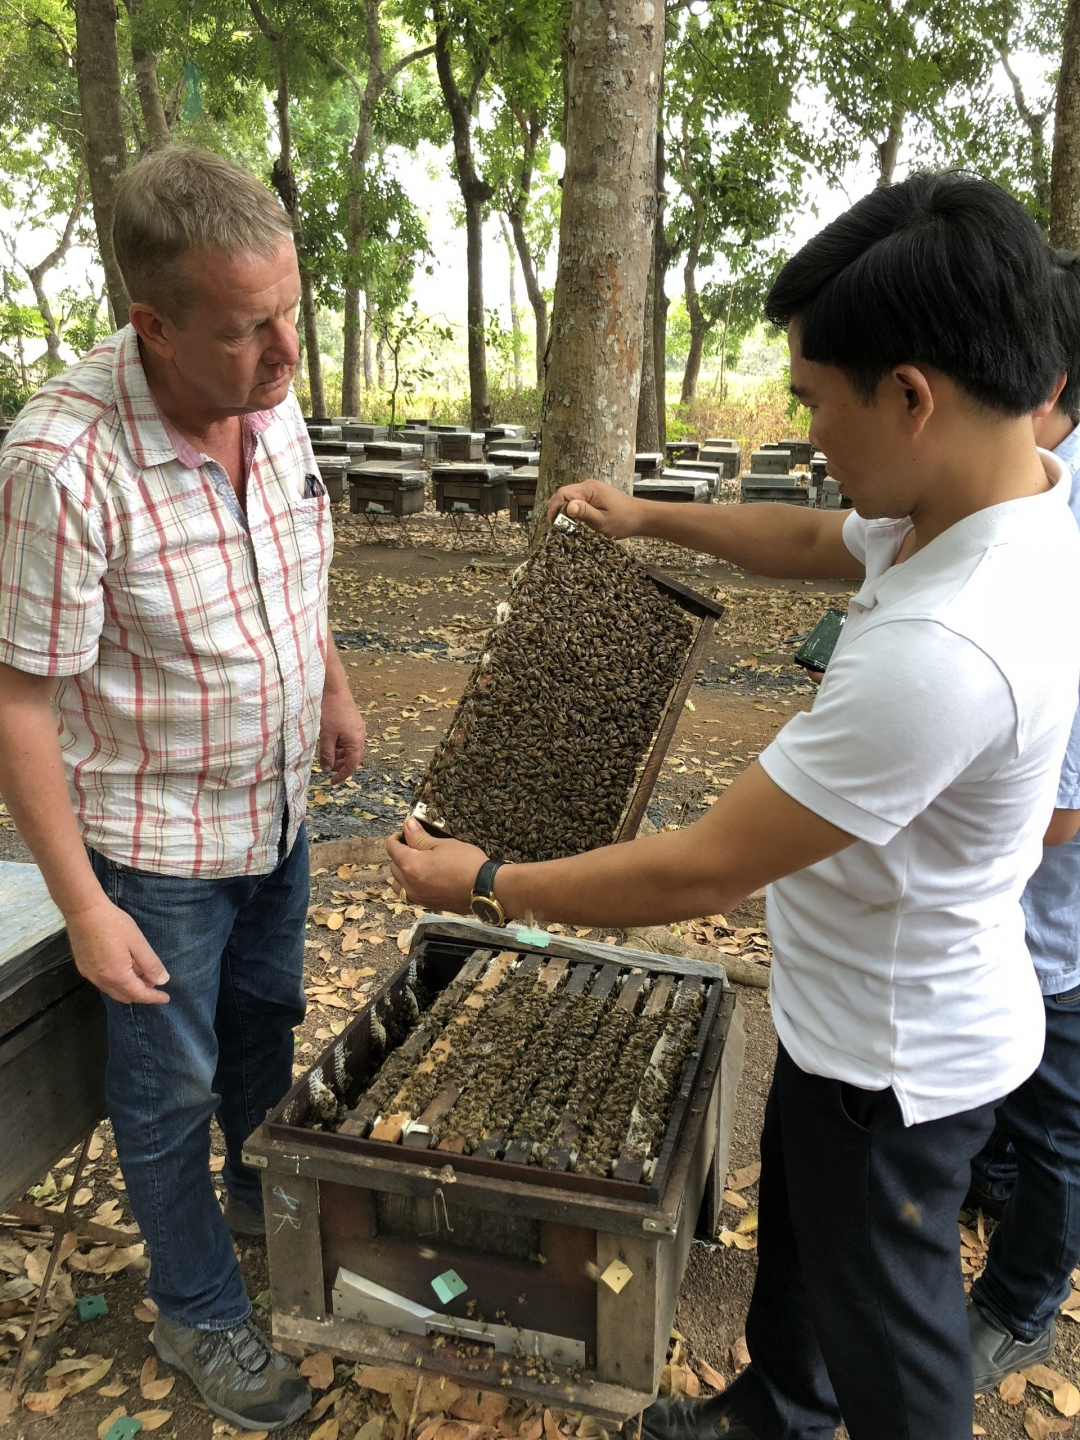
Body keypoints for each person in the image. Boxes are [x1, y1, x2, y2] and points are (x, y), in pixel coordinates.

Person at [386, 172, 1080, 1440]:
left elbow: (703, 871)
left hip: (895, 1063)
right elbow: (821, 543)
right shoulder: (996, 498)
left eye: (818, 401)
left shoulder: (946, 647)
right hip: (858, 1017)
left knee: (899, 1350)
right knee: (809, 1265)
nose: (812, 435)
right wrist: (648, 513)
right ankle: (774, 1414)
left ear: (914, 396)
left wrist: (485, 885)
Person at [0, 146, 365, 1432]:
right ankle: (198, 1305)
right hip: (151, 848)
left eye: (291, 314)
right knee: (164, 1090)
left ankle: (264, 1205)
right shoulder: (61, 463)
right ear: (152, 324)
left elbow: (294, 564)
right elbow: (19, 703)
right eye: (247, 330)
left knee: (265, 1028)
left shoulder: (268, 399)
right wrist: (85, 906)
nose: (284, 356)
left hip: (271, 814)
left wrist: (324, 684)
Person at [964, 251, 1080, 1389]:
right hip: (1007, 927)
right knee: (1012, 1107)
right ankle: (984, 1182)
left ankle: (1023, 1299)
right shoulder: (1040, 485)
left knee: (1057, 1125)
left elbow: (1062, 813)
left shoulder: (1064, 521)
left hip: (1055, 929)